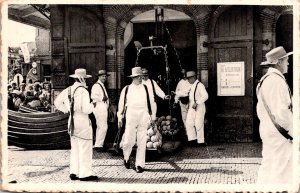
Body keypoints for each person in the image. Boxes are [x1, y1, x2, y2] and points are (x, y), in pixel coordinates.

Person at [256, 46, 293, 184]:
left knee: (268, 166)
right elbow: (282, 113)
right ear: (278, 62)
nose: (288, 63)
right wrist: (293, 132)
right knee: (281, 170)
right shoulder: (277, 81)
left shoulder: (264, 80)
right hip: (280, 134)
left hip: (268, 130)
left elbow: (259, 110)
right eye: (286, 60)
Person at [54, 68, 98, 181]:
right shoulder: (83, 91)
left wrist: (67, 110)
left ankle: (74, 172)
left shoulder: (68, 90)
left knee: (75, 148)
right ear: (82, 79)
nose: (86, 81)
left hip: (72, 121)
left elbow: (56, 102)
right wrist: (93, 104)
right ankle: (85, 174)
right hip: (82, 121)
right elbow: (86, 109)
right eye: (86, 79)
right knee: (85, 147)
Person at [117, 67, 155, 173]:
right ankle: (126, 158)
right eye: (138, 77)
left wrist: (152, 117)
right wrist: (120, 117)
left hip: (143, 116)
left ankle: (139, 165)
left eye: (141, 77)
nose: (140, 79)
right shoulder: (127, 89)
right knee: (129, 140)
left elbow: (150, 103)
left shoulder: (146, 88)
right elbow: (121, 105)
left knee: (142, 141)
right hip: (131, 116)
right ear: (133, 78)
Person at [185, 71, 208, 146]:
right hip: (192, 107)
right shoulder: (191, 85)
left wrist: (197, 102)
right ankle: (192, 139)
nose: (188, 80)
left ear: (194, 77)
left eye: (189, 78)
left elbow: (205, 96)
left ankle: (200, 141)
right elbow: (185, 93)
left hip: (199, 107)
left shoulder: (200, 85)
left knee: (199, 124)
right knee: (189, 123)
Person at [91, 70, 110, 151]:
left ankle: (98, 144)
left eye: (105, 76)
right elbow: (93, 96)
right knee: (103, 126)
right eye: (102, 76)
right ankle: (99, 145)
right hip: (99, 106)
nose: (104, 78)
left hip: (102, 106)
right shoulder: (96, 86)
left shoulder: (101, 85)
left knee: (101, 126)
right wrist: (102, 98)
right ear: (99, 77)